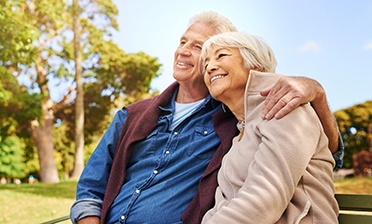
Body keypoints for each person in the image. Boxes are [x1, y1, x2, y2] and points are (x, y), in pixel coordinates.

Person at [70, 11, 343, 224]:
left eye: (203, 48)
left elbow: (325, 154)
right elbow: (90, 190)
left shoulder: (236, 118)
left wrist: (317, 93)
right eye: (182, 42)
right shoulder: (132, 115)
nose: (185, 51)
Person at [200, 31, 339, 223]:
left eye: (221, 55)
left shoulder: (285, 106)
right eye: (206, 63)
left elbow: (264, 200)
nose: (209, 67)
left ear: (255, 64)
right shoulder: (239, 133)